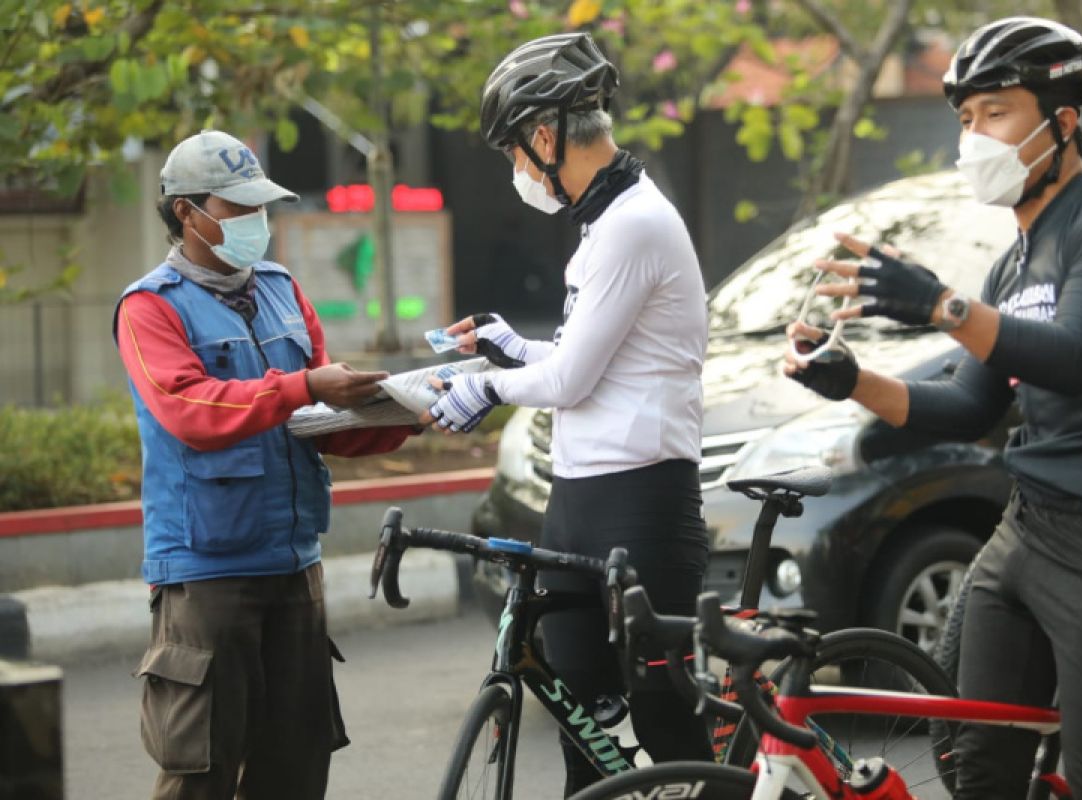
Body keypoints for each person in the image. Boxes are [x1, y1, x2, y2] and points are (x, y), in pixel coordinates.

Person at [783, 18, 1082, 799]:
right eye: (965, 119)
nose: (974, 136)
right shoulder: (1014, 259)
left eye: (995, 112)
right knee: (981, 768)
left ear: (1062, 122)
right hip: (1026, 527)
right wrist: (850, 379)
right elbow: (971, 406)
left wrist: (939, 304)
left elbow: (1073, 355)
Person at [418, 32, 712, 795]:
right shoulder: (602, 222)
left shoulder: (634, 223)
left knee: (667, 723)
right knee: (579, 716)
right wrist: (506, 344)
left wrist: (484, 388)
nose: (517, 169)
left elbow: (574, 378)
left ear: (544, 137)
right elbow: (584, 354)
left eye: (514, 153)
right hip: (579, 497)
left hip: (643, 500)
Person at [113, 129, 419, 800]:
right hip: (208, 573)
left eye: (259, 208)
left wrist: (407, 416)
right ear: (185, 213)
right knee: (202, 772)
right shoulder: (149, 308)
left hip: (293, 564)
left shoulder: (282, 289)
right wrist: (306, 386)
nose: (255, 222)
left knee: (296, 767)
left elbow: (316, 427)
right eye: (237, 209)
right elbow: (190, 409)